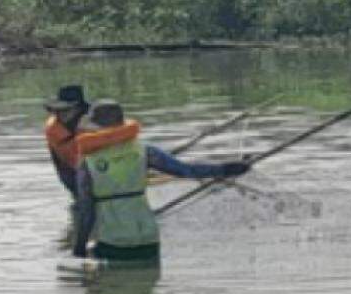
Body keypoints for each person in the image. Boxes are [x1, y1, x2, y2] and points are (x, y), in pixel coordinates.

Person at [72, 100, 249, 262]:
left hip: (112, 240)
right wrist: (226, 169)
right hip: (148, 237)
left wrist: (79, 249)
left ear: (94, 129)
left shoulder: (88, 162)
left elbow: (86, 211)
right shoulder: (144, 152)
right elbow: (186, 170)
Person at [43, 85, 91, 197]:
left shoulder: (96, 123)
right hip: (74, 176)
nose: (60, 114)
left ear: (78, 109)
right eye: (57, 110)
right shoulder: (53, 130)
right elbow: (61, 167)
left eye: (65, 110)